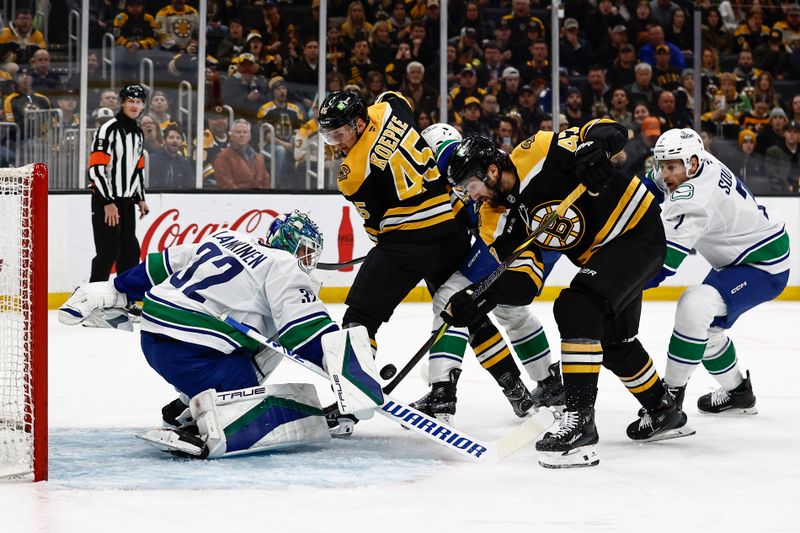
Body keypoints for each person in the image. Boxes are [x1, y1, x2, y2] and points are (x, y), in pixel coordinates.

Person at [442, 120, 689, 468]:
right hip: (605, 258)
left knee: (576, 307)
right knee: (616, 345)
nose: (471, 197)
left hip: (636, 231)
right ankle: (664, 410)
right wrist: (480, 298)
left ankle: (579, 422)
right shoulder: (493, 219)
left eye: (470, 186)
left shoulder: (537, 151)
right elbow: (525, 283)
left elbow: (610, 130)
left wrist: (594, 151)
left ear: (492, 170)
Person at [59, 211, 348, 458]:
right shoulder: (284, 265)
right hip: (198, 354)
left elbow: (164, 263)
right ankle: (213, 421)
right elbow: (305, 330)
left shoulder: (228, 237)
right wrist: (346, 369)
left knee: (254, 331)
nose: (306, 259)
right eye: (304, 250)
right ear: (288, 243)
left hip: (154, 338)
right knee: (259, 404)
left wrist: (118, 288)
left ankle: (190, 402)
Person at [317, 90, 468, 434]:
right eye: (329, 136)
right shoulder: (389, 108)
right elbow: (397, 99)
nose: (335, 143)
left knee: (359, 318)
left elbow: (376, 229)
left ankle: (351, 406)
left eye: (339, 134)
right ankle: (445, 393)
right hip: (452, 232)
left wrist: (385, 253)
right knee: (454, 308)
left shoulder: (351, 172)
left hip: (407, 244)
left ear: (357, 123)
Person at [412, 123, 565, 422]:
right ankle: (550, 384)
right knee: (510, 309)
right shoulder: (465, 161)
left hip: (505, 240)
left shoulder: (444, 159)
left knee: (449, 297)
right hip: (534, 242)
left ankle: (442, 392)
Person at [643, 128, 789, 428]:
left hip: (762, 264)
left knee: (694, 307)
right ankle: (739, 393)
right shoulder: (694, 162)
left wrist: (610, 283)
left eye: (670, 167)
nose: (665, 173)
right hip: (742, 257)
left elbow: (662, 267)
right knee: (705, 327)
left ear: (691, 164)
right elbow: (648, 187)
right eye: (662, 165)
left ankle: (668, 404)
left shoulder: (693, 197)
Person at [87, 84, 150, 292]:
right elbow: (96, 168)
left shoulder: (138, 133)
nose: (134, 105)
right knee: (108, 251)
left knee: (130, 250)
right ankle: (93, 300)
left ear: (143, 106)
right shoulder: (108, 129)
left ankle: (127, 297)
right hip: (106, 199)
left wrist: (140, 198)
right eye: (130, 101)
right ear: (122, 103)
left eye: (138, 101)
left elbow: (137, 168)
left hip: (126, 201)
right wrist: (108, 201)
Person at [213, 119, 270, 190]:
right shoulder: (222, 157)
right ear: (231, 135)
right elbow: (227, 185)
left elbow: (266, 182)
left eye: (245, 132)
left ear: (250, 136)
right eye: (238, 132)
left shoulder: (258, 157)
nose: (241, 135)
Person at [148, 123, 195, 189]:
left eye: (178, 138)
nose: (175, 140)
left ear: (181, 142)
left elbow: (189, 185)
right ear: (164, 141)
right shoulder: (152, 159)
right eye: (171, 137)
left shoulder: (184, 163)